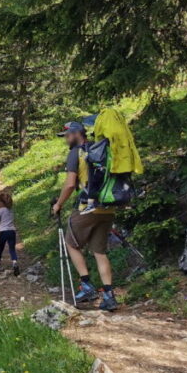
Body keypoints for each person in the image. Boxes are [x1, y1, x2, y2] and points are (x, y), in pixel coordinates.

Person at [51, 120, 119, 311]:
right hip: (108, 207)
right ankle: (108, 295)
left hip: (87, 207)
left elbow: (71, 184)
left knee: (71, 243)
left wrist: (58, 204)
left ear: (75, 134)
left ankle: (87, 285)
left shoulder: (76, 153)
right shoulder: (102, 150)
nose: (66, 140)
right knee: (99, 252)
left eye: (66, 135)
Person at [0, 191, 19, 275]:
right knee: (12, 249)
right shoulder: (11, 210)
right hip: (12, 232)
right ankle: (14, 262)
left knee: (0, 247)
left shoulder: (1, 210)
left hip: (3, 232)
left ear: (1, 202)